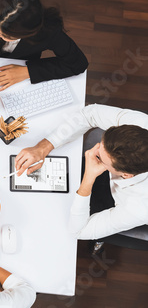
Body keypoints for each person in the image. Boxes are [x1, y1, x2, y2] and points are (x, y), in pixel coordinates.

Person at [15, 104, 148, 242]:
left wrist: (88, 177)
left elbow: (78, 231)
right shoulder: (140, 124)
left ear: (126, 175)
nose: (90, 152)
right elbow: (88, 114)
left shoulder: (139, 208)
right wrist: (43, 148)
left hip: (114, 201)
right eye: (100, 145)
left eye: (100, 157)